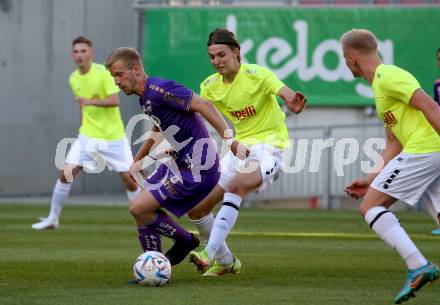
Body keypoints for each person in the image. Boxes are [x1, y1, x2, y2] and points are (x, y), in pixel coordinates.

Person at [104, 47, 247, 267]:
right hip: (180, 162)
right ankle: (153, 265)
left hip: (197, 168)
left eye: (119, 74)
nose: (116, 81)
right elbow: (159, 126)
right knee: (139, 208)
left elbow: (204, 105)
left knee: (138, 207)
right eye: (113, 76)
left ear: (136, 69)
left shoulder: (160, 89)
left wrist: (230, 141)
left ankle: (185, 241)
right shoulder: (146, 98)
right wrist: (139, 159)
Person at [187, 28, 307, 276]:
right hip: (240, 149)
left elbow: (283, 91)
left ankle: (208, 254)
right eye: (212, 57)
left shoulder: (257, 75)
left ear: (236, 52)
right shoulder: (210, 86)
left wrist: (292, 100)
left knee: (236, 186)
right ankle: (226, 260)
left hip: (270, 148)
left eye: (221, 55)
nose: (217, 61)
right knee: (197, 209)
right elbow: (195, 111)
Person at [341, 29, 440, 304]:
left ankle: (418, 266)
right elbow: (394, 142)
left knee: (370, 207)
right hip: (429, 153)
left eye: (343, 59)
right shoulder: (380, 84)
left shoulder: (389, 76)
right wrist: (372, 177)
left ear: (351, 58)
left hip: (426, 151)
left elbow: (431, 106)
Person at [32, 36, 139, 230]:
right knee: (66, 174)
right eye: (76, 51)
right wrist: (83, 124)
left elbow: (115, 101)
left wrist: (89, 102)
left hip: (112, 135)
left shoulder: (103, 73)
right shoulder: (73, 78)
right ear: (72, 55)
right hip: (88, 135)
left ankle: (143, 218)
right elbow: (82, 107)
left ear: (91, 53)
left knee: (129, 179)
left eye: (83, 51)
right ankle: (52, 218)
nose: (79, 55)